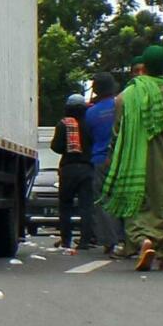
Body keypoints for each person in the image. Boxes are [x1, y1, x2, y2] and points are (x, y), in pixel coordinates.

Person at [97, 47, 163, 272]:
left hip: (133, 160)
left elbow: (116, 134)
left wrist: (113, 158)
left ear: (143, 67)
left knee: (136, 204)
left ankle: (142, 240)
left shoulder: (125, 97)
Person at [82, 76, 124, 255]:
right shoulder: (122, 106)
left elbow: (88, 137)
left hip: (100, 159)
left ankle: (110, 241)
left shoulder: (90, 113)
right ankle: (128, 240)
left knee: (103, 201)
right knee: (126, 197)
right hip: (123, 157)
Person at [51, 92, 93, 250]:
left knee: (65, 206)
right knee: (86, 206)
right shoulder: (89, 124)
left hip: (68, 168)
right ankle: (85, 240)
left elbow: (56, 147)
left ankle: (66, 240)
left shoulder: (63, 124)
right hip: (87, 168)